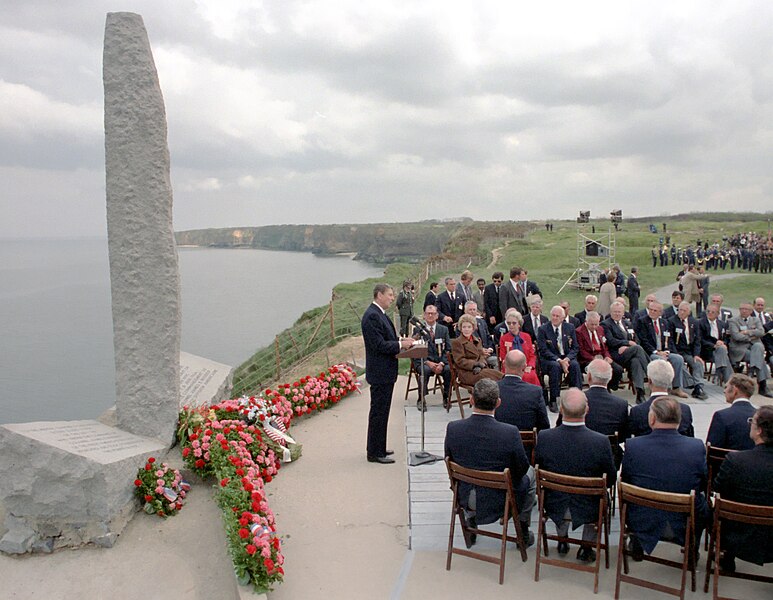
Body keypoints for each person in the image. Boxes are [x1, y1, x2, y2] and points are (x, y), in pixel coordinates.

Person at [445, 379, 536, 546]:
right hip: (499, 501)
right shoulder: (509, 433)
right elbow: (521, 469)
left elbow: (449, 460)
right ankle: (522, 529)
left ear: (471, 400)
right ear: (498, 403)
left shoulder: (453, 428)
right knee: (532, 475)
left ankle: (470, 520)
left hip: (465, 496)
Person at [534, 388, 617, 562]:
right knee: (600, 497)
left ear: (561, 410)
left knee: (558, 492)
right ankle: (586, 547)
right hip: (590, 505)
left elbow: (539, 467)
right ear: (587, 410)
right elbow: (610, 478)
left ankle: (562, 539)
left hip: (554, 502)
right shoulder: (600, 441)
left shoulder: (545, 437)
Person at [622, 396, 709, 559]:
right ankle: (692, 549)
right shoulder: (696, 447)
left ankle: (638, 542)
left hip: (642, 517)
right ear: (679, 419)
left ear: (652, 419)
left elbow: (626, 480)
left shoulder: (634, 446)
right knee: (703, 503)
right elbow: (703, 483)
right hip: (684, 519)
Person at [713, 405, 773, 572]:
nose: (749, 424)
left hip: (735, 535)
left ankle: (726, 559)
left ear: (759, 430)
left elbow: (717, 488)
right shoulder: (737, 460)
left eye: (751, 421)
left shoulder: (736, 460)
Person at [361, 284, 414, 464]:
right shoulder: (371, 316)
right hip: (380, 372)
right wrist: (401, 346)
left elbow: (387, 338)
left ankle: (380, 447)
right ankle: (374, 452)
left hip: (386, 371)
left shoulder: (380, 314)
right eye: (390, 295)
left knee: (383, 412)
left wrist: (402, 340)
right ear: (379, 295)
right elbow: (379, 345)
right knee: (378, 412)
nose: (393, 298)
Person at [634, 301, 689, 398]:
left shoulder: (665, 323)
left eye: (655, 310)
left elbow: (669, 339)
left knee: (678, 359)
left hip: (664, 351)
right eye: (650, 310)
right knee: (660, 361)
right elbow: (643, 341)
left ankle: (676, 387)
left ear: (660, 312)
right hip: (651, 352)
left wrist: (667, 351)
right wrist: (657, 352)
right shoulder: (642, 322)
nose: (652, 312)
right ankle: (658, 388)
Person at [629, 360, 694, 437]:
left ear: (649, 381)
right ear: (671, 381)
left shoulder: (638, 411)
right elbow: (690, 436)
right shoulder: (685, 410)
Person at [537, 305, 583, 413]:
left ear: (563, 318)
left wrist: (567, 359)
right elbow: (543, 350)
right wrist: (559, 360)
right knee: (555, 367)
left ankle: (576, 396)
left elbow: (575, 347)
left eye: (557, 316)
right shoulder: (543, 329)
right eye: (553, 315)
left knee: (575, 365)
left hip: (566, 357)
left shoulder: (570, 327)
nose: (555, 318)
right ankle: (554, 399)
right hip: (550, 359)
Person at [602, 301, 648, 403]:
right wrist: (627, 342)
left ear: (623, 313)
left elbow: (636, 340)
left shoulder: (628, 324)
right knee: (638, 349)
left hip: (629, 353)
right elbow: (610, 341)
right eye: (615, 312)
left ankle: (640, 393)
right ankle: (650, 372)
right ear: (611, 312)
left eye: (619, 312)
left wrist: (627, 347)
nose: (617, 314)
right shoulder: (606, 324)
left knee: (636, 362)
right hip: (616, 354)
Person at [496, 350, 550, 431]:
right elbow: (544, 425)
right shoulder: (535, 391)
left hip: (498, 440)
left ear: (503, 364)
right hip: (527, 442)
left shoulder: (493, 389)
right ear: (525, 367)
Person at [411, 304, 452, 412]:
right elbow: (415, 349)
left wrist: (442, 363)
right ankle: (421, 399)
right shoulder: (418, 330)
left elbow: (448, 349)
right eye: (428, 313)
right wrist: (427, 362)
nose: (430, 315)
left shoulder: (443, 330)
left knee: (449, 370)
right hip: (424, 362)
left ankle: (446, 396)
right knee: (425, 371)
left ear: (437, 315)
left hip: (440, 361)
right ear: (424, 315)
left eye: (432, 313)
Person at [728, 302, 771, 397]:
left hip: (754, 348)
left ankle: (752, 370)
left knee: (758, 347)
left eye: (746, 309)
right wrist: (752, 337)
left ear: (751, 311)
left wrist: (747, 332)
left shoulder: (755, 320)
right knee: (759, 357)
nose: (743, 311)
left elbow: (761, 332)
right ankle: (762, 385)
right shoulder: (733, 320)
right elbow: (736, 336)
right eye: (742, 308)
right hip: (739, 349)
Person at [667, 301, 708, 400]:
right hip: (677, 351)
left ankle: (698, 387)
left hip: (689, 351)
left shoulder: (694, 322)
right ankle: (689, 383)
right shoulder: (672, 321)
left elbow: (697, 340)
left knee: (697, 363)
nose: (681, 312)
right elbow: (670, 340)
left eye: (684, 311)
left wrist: (696, 354)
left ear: (688, 312)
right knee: (680, 363)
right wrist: (675, 353)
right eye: (680, 310)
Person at [706, 373, 756, 450]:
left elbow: (712, 449)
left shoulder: (721, 416)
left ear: (735, 390)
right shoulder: (761, 415)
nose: (724, 391)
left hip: (729, 460)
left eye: (726, 387)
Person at [576, 311, 624, 392]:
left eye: (596, 324)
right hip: (588, 359)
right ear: (586, 322)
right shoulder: (579, 332)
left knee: (618, 370)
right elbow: (581, 351)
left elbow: (604, 346)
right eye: (592, 324)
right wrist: (593, 359)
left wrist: (607, 356)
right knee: (599, 371)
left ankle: (610, 386)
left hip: (601, 356)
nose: (594, 327)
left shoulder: (600, 329)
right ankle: (603, 390)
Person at [451, 314, 504, 386]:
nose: (466, 329)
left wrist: (480, 364)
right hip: (466, 372)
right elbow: (460, 361)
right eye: (464, 327)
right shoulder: (457, 342)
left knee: (500, 375)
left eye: (469, 327)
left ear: (473, 328)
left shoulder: (477, 340)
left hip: (480, 369)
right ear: (460, 328)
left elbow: (481, 355)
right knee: (488, 379)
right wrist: (475, 364)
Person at [497, 309, 540, 386]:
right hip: (510, 368)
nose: (511, 325)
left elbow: (532, 355)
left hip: (526, 366)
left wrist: (530, 366)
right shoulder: (504, 338)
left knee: (531, 376)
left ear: (519, 324)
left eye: (514, 323)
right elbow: (503, 357)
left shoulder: (526, 336)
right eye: (509, 323)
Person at [697, 304, 732, 385]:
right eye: (708, 311)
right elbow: (700, 339)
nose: (710, 313)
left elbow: (727, 338)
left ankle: (719, 373)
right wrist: (714, 345)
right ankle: (728, 380)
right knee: (723, 352)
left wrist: (723, 343)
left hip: (720, 350)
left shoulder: (722, 324)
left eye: (713, 312)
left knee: (722, 350)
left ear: (718, 314)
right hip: (706, 350)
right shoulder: (700, 323)